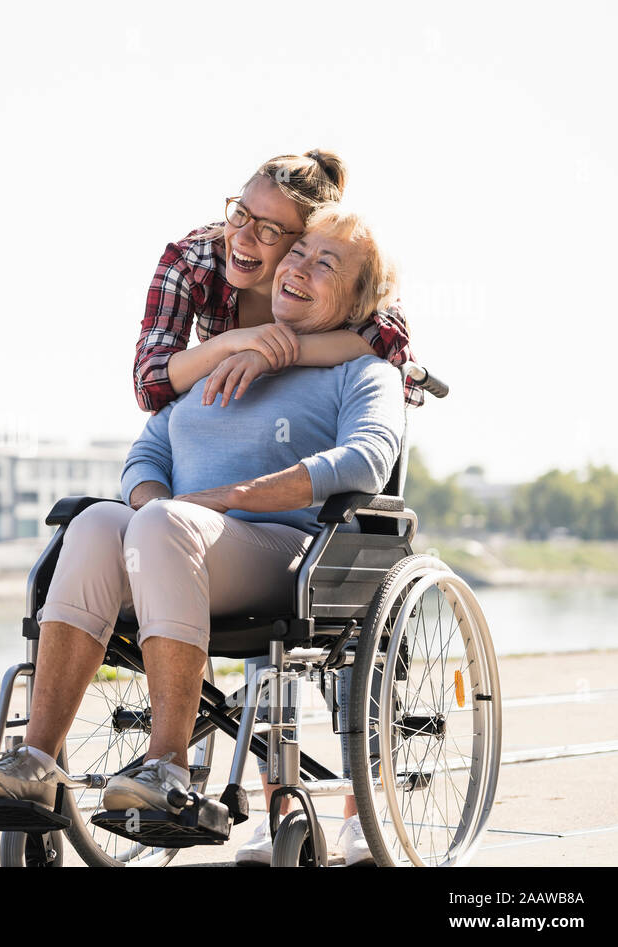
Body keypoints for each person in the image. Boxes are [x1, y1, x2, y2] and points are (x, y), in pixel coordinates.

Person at [0, 203, 405, 867]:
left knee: (162, 523)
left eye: (325, 264)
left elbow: (367, 458)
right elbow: (146, 456)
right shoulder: (217, 366)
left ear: (356, 299)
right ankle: (36, 760)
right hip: (178, 544)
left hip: (284, 556)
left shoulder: (360, 372)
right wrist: (153, 509)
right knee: (99, 520)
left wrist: (232, 498)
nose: (300, 268)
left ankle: (166, 764)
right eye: (299, 253)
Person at [134, 151, 418, 864]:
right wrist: (238, 345)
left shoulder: (341, 276)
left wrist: (280, 352)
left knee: (352, 611)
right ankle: (245, 789)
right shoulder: (196, 256)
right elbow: (151, 384)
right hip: (224, 463)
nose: (250, 240)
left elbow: (388, 346)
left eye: (276, 234)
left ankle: (362, 811)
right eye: (243, 215)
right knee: (261, 648)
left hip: (303, 495)